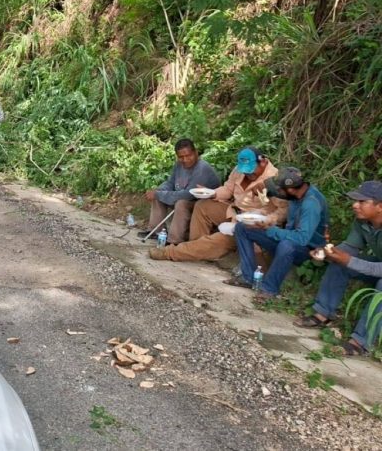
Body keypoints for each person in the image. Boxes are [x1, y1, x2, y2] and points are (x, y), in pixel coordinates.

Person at [150, 146, 286, 262]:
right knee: (202, 206)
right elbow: (228, 189)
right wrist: (212, 193)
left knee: (220, 240)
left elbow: (283, 211)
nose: (247, 174)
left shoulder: (274, 179)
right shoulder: (239, 170)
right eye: (244, 170)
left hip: (252, 224)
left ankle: (170, 253)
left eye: (250, 171)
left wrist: (265, 220)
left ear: (262, 162)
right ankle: (197, 248)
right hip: (234, 211)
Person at [296, 181, 382, 357]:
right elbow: (349, 248)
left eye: (362, 202)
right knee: (340, 262)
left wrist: (349, 260)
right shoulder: (363, 221)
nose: (355, 205)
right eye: (355, 201)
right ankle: (323, 314)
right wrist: (328, 252)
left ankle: (360, 342)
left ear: (379, 206)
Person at [227, 166, 327, 300]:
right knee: (243, 227)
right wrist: (267, 223)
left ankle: (269, 289)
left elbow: (302, 238)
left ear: (290, 189)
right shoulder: (296, 195)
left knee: (287, 245)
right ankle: (248, 277)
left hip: (307, 249)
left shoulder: (311, 204)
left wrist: (272, 230)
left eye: (279, 190)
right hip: (288, 238)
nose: (277, 193)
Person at [140, 139, 220, 244]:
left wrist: (159, 194)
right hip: (186, 198)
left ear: (196, 153)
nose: (185, 160)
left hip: (201, 204)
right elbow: (170, 183)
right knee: (159, 193)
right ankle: (156, 231)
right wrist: (158, 190)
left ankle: (174, 240)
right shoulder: (179, 165)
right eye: (181, 157)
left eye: (188, 155)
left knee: (181, 203)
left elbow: (188, 194)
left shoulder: (202, 169)